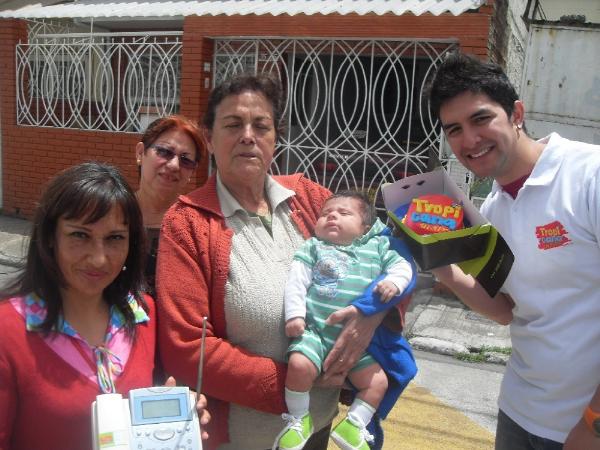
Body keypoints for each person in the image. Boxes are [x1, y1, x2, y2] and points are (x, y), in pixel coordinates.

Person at [156, 74, 403, 450]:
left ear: (276, 137)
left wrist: (372, 314)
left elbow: (387, 255)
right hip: (241, 441)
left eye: (261, 126)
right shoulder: (187, 222)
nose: (248, 136)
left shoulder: (310, 198)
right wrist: (299, 381)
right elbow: (187, 347)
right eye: (233, 124)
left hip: (319, 429)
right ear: (208, 137)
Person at [427, 52, 600, 450]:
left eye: (481, 119)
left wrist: (593, 423)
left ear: (516, 113)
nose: (469, 140)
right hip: (518, 413)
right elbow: (506, 309)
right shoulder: (491, 210)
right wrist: (443, 268)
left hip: (583, 427)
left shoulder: (588, 175)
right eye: (454, 129)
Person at [0, 162, 210, 450]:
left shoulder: (143, 315)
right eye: (80, 235)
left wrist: (170, 424)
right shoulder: (7, 331)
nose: (98, 259)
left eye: (114, 238)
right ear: (50, 237)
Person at [275, 190, 413, 450]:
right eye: (325, 213)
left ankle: (354, 425)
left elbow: (403, 266)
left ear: (365, 228)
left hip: (357, 344)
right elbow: (296, 282)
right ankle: (298, 419)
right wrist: (294, 316)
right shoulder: (314, 247)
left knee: (377, 382)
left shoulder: (378, 247)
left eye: (343, 213)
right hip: (315, 333)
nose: (332, 216)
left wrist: (394, 282)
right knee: (299, 366)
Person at [135, 115, 203, 295]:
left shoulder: (197, 229)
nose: (174, 165)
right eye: (165, 152)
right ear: (140, 153)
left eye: (186, 160)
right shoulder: (113, 213)